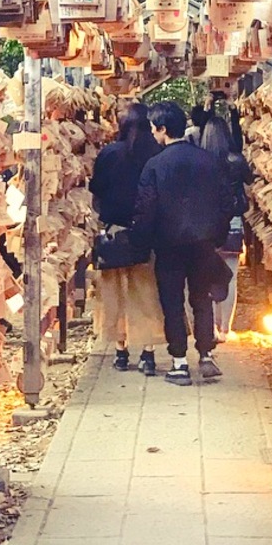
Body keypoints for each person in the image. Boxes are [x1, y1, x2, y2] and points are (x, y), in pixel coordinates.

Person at [127, 101, 233, 386]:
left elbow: (145, 208)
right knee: (201, 299)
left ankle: (179, 362)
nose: (152, 134)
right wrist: (217, 236)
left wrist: (142, 242)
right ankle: (206, 354)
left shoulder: (155, 165)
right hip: (203, 243)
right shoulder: (208, 160)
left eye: (153, 129)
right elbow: (227, 202)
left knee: (172, 303)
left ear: (162, 129)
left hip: (168, 244)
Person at [90, 102, 164, 375]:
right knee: (145, 293)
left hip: (114, 231)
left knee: (114, 293)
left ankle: (120, 350)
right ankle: (149, 351)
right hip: (146, 232)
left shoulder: (109, 153)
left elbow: (95, 187)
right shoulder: (155, 153)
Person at [199, 117, 252, 342]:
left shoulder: (200, 162)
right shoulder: (236, 160)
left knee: (205, 277)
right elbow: (250, 180)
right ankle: (225, 329)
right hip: (232, 222)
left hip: (206, 224)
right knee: (230, 277)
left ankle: (208, 327)